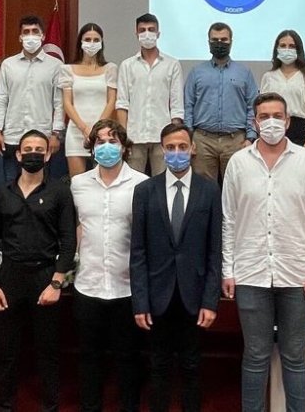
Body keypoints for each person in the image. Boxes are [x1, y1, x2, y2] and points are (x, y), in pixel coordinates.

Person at [221, 92, 305, 412]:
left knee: (294, 356)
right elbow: (229, 219)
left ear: (288, 120)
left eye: (277, 116)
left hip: (298, 276)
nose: (271, 122)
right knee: (255, 356)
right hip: (250, 273)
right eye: (264, 116)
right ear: (255, 122)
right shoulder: (239, 163)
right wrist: (228, 270)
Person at [130, 123, 223, 412]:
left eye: (182, 146)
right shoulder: (145, 190)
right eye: (170, 147)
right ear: (162, 150)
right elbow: (138, 251)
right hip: (157, 295)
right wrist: (140, 302)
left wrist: (210, 301)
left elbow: (214, 250)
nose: (177, 152)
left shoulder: (209, 190)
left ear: (193, 148)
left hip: (194, 295)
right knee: (158, 366)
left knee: (192, 366)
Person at [0, 129, 76, 412]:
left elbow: (68, 239)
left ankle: (50, 407)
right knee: (6, 352)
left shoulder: (60, 192)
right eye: (28, 150)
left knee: (48, 352)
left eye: (39, 150)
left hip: (45, 277)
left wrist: (57, 282)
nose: (33, 154)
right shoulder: (1, 193)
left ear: (48, 155)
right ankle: (3, 407)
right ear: (18, 154)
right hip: (9, 278)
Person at [70, 119, 149, 411]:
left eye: (112, 141)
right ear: (92, 148)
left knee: (129, 360)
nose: (106, 147)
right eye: (100, 142)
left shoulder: (142, 184)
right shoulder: (78, 184)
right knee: (89, 358)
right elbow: (74, 229)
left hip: (126, 288)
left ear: (125, 147)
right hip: (88, 286)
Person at [0, 15, 65, 183]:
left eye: (35, 31)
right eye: (26, 32)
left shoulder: (56, 66)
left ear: (42, 36)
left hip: (42, 137)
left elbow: (59, 103)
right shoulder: (8, 65)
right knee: (11, 183)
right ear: (20, 37)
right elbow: (0, 99)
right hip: (12, 136)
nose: (31, 36)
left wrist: (56, 133)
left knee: (40, 184)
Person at [183, 22, 258, 184]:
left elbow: (252, 107)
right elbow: (188, 105)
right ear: (208, 42)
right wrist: (189, 137)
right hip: (203, 140)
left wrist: (250, 137)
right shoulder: (197, 72)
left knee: (237, 186)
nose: (219, 43)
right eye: (215, 40)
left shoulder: (244, 72)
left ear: (231, 42)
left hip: (236, 140)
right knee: (203, 189)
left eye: (224, 40)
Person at [116, 13, 185, 176]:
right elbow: (122, 104)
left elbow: (176, 105)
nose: (147, 34)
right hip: (134, 137)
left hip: (163, 135)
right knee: (132, 182)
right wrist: (123, 138)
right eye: (142, 30)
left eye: (151, 29)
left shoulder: (172, 64)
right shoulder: (127, 65)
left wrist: (174, 136)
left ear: (158, 33)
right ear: (136, 34)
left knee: (162, 182)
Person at [60, 23, 118, 177]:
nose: (91, 43)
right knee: (77, 183)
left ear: (101, 43)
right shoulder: (67, 69)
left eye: (96, 40)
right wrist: (85, 129)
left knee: (103, 180)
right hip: (76, 130)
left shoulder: (110, 68)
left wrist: (96, 130)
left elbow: (111, 101)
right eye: (87, 39)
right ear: (80, 41)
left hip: (103, 132)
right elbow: (67, 103)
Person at [259, 30, 305, 148]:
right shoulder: (269, 77)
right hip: (274, 128)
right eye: (283, 46)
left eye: (292, 46)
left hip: (300, 131)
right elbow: (262, 107)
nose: (287, 49)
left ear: (298, 49)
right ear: (277, 49)